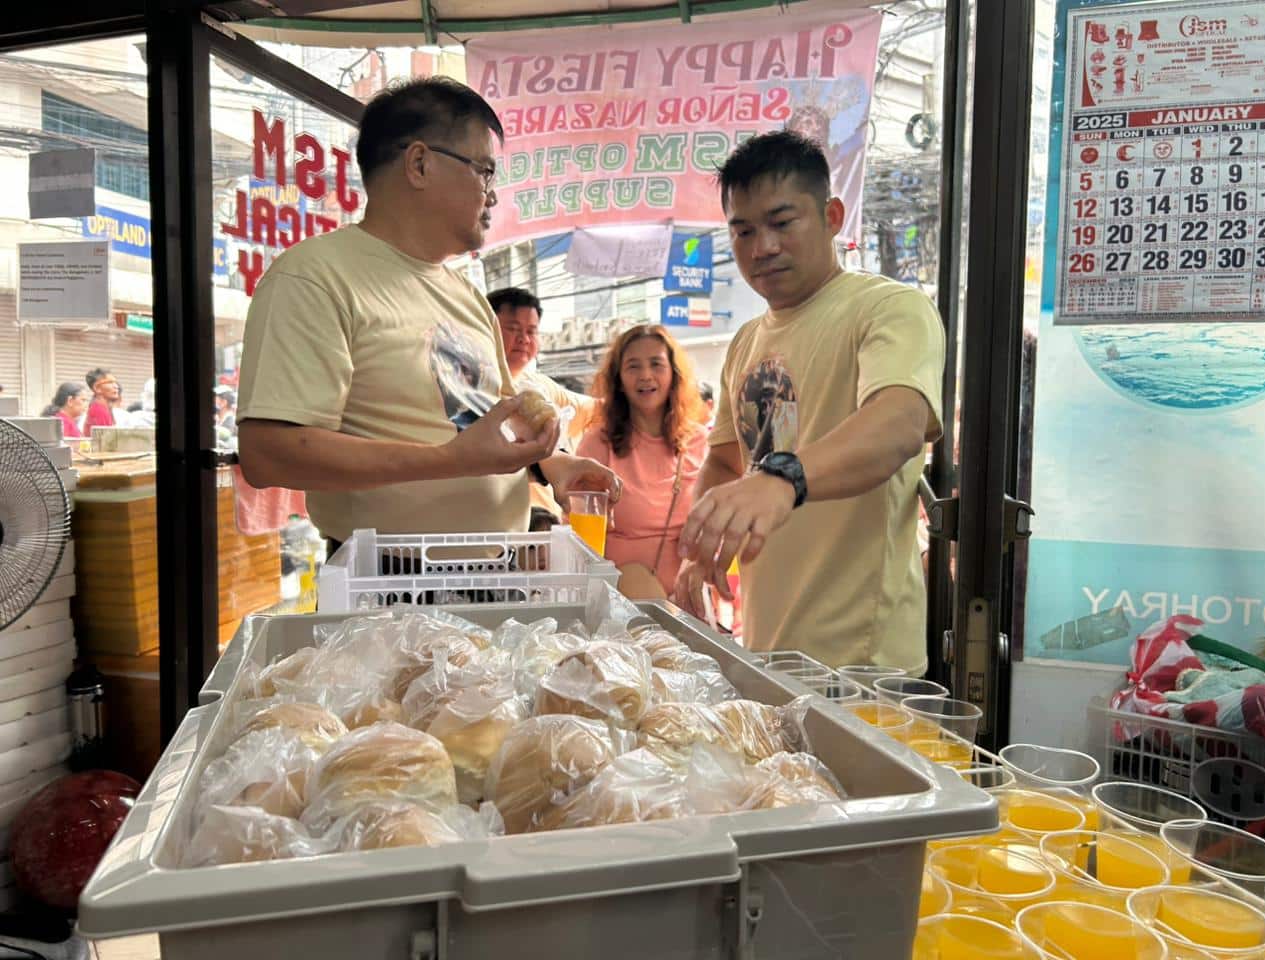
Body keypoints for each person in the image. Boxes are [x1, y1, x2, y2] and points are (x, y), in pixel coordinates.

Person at [236, 77, 617, 546]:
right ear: (419, 163)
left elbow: (495, 423)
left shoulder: (466, 295)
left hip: (496, 578)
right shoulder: (315, 277)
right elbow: (268, 453)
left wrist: (557, 465)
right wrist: (453, 460)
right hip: (387, 592)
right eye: (484, 170)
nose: (492, 194)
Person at [673, 131, 944, 674]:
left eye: (781, 222)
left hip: (863, 663)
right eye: (743, 230)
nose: (762, 247)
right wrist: (704, 544)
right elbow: (728, 461)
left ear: (832, 215)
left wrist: (783, 479)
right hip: (768, 644)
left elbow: (897, 425)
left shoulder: (889, 309)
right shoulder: (746, 340)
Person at [577, 325, 708, 598]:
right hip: (619, 603)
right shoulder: (597, 443)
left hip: (691, 603)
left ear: (674, 374)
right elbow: (580, 536)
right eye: (633, 366)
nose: (645, 376)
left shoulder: (700, 441)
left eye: (656, 364)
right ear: (619, 380)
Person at [486, 286, 599, 524]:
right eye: (513, 329)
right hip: (494, 529)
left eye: (531, 331)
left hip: (547, 528)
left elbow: (597, 411)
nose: (524, 339)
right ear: (487, 328)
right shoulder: (469, 388)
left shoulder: (542, 387)